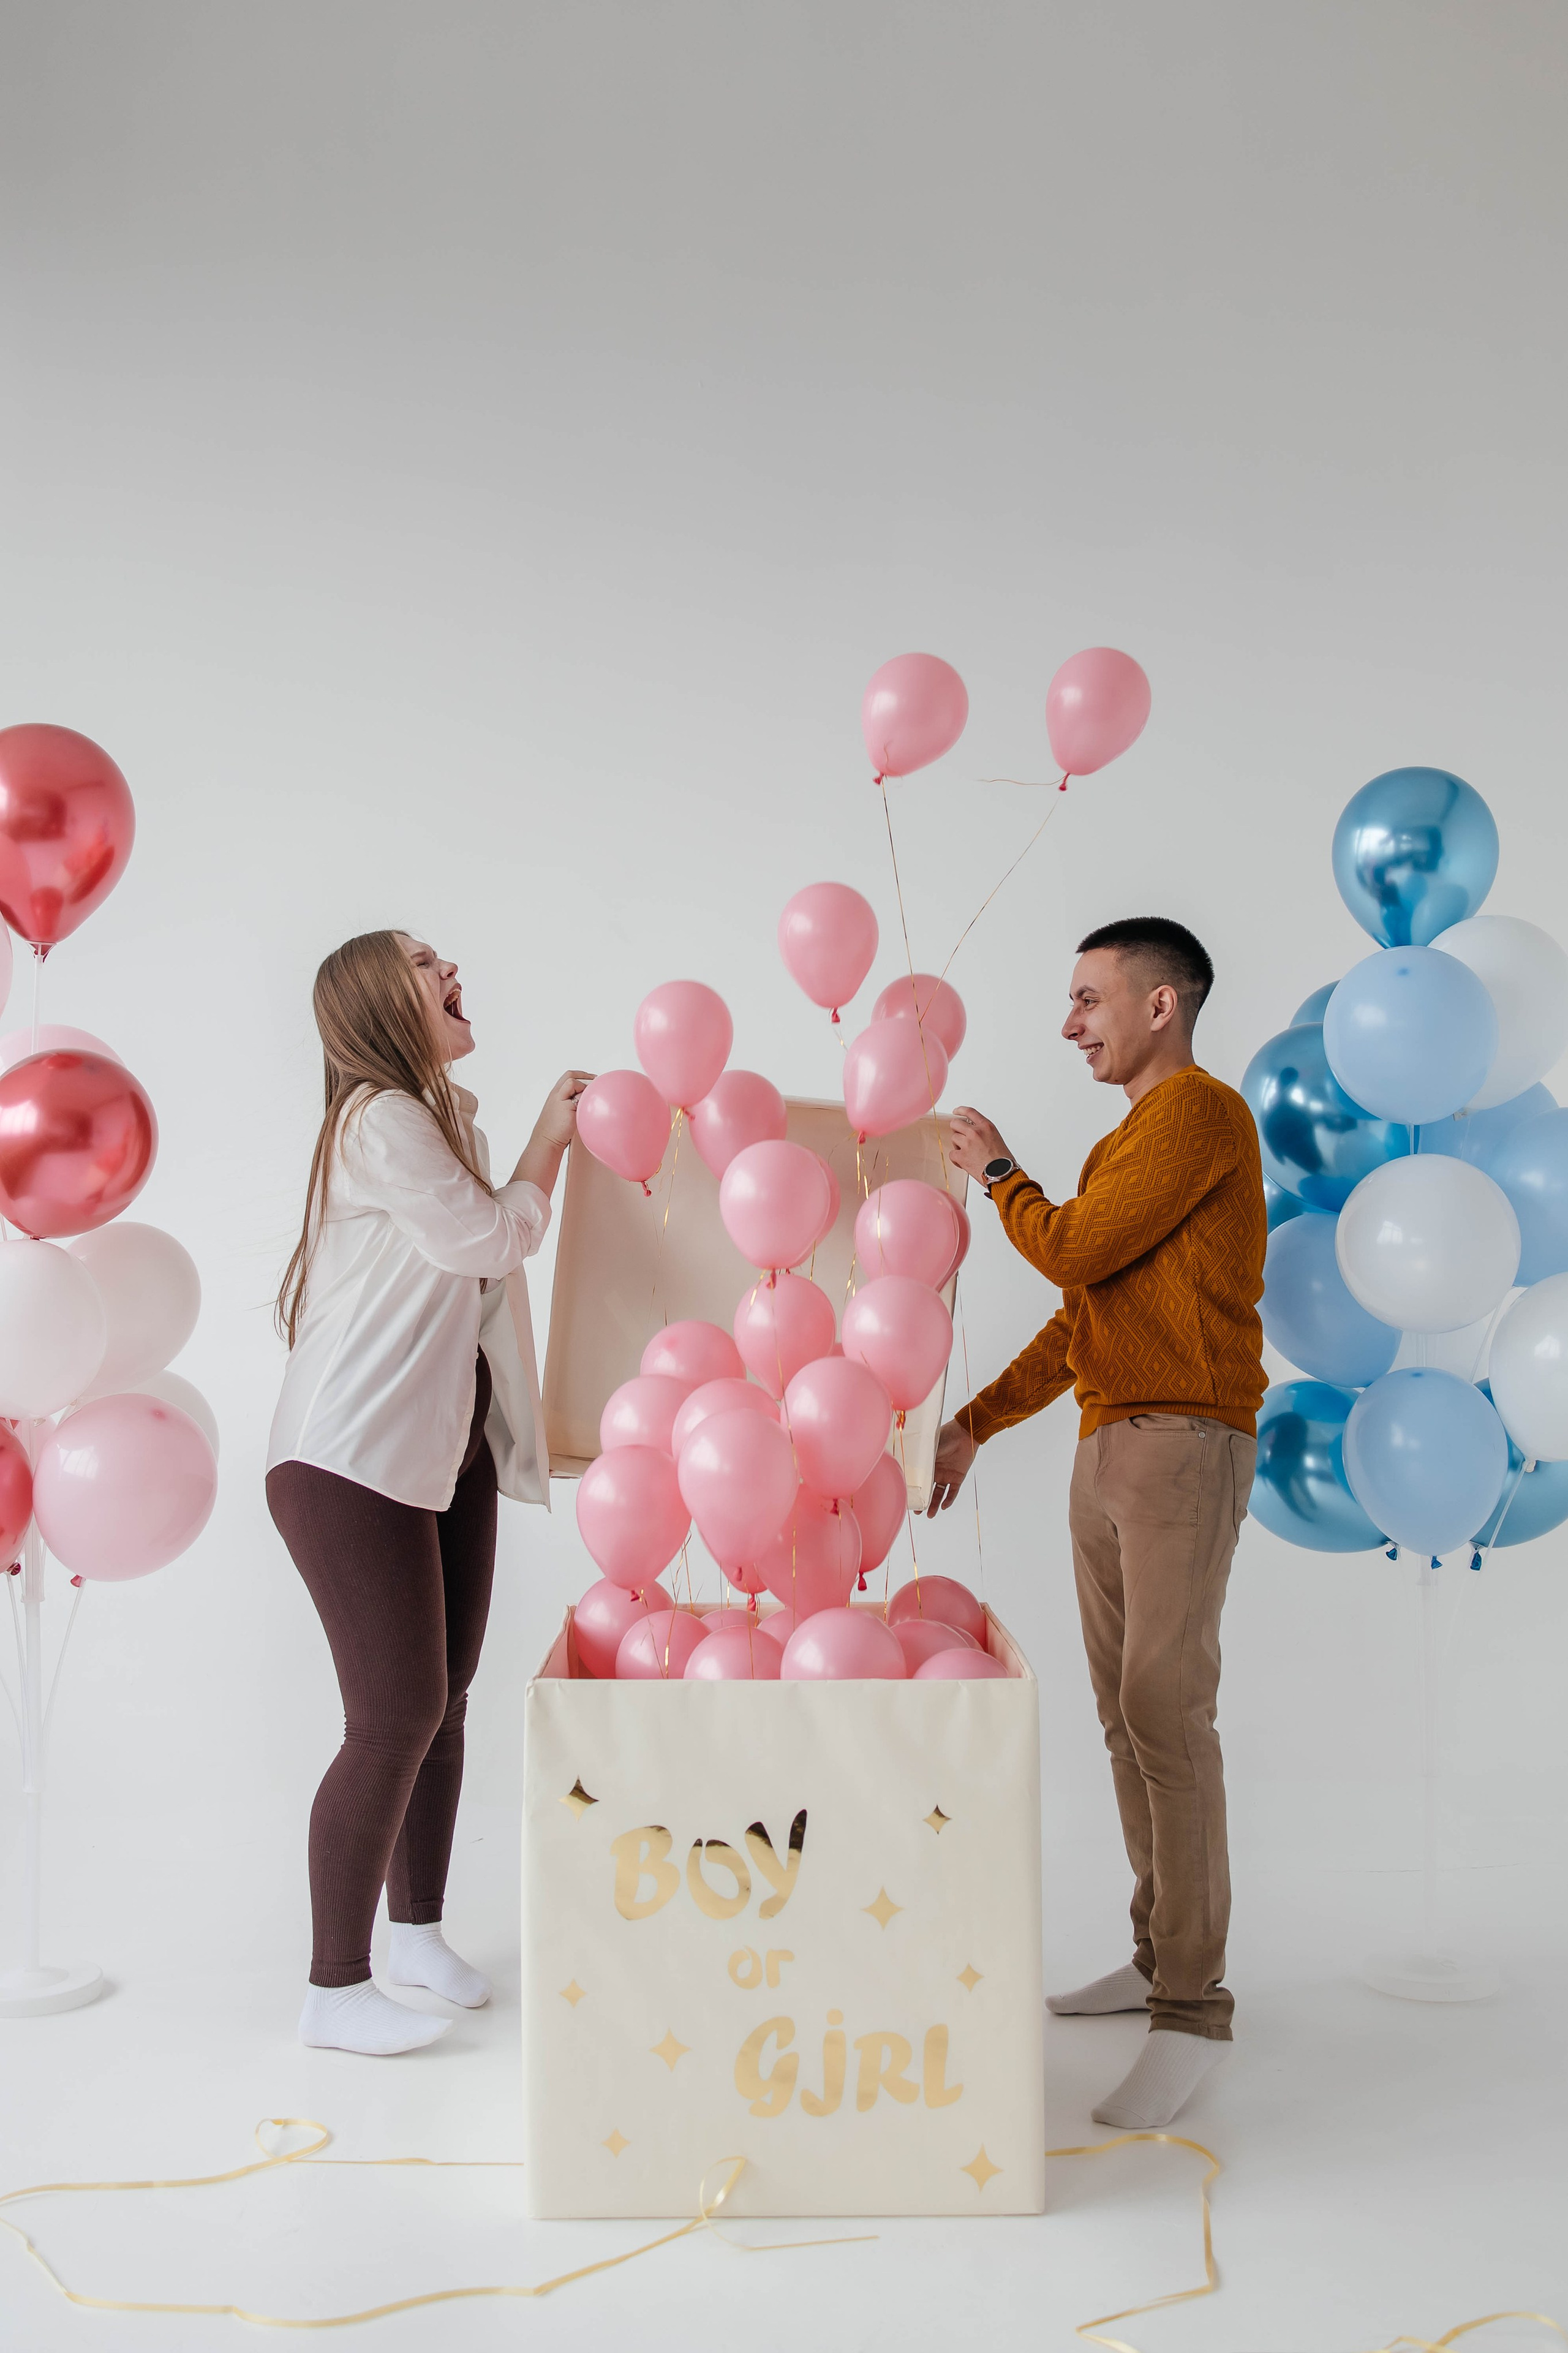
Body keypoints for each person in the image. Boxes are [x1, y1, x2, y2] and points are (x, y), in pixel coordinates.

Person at [933, 916, 1265, 2131]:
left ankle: (1193, 2010)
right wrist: (970, 1423)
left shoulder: (1197, 1117)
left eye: (1087, 999)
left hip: (1182, 1444)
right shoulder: (1134, 1139)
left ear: (1158, 1006)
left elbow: (1068, 1243)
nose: (1068, 1023)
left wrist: (1000, 1174)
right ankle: (1151, 1958)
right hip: (1112, 1441)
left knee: (1165, 1714)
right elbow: (1082, 1310)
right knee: (1126, 1719)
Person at [267, 929, 589, 2055]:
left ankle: (418, 1934)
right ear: (378, 1003)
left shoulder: (452, 1125)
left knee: (444, 1699)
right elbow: (491, 1236)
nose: (451, 964)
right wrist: (554, 1140)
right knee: (396, 1711)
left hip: (443, 1452)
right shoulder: (379, 1120)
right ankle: (333, 1988)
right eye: (421, 959)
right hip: (348, 1457)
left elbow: (490, 1274)